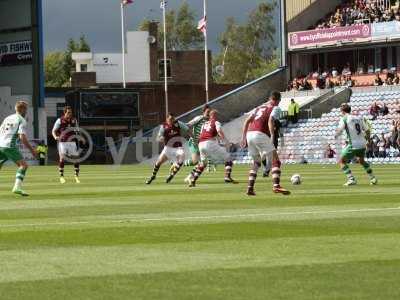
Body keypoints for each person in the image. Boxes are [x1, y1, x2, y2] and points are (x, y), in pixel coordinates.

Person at [241, 91, 290, 196]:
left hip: (250, 134)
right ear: (278, 100)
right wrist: (272, 135)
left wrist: (243, 137)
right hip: (260, 134)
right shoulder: (276, 108)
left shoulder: (259, 108)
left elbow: (247, 121)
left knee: (256, 163)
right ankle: (276, 186)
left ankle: (250, 188)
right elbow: (270, 120)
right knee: (275, 159)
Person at [185, 110, 237, 187]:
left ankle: (193, 180)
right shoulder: (216, 122)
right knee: (228, 158)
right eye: (217, 115)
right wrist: (226, 142)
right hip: (209, 143)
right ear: (214, 115)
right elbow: (219, 131)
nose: (218, 116)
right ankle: (227, 177)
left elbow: (206, 134)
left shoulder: (204, 124)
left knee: (203, 163)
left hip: (201, 144)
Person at [0, 101, 37, 196]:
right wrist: (32, 150)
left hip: (1, 144)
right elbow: (22, 137)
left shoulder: (7, 118)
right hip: (9, 145)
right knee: (23, 165)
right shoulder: (21, 120)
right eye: (26, 109)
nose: (26, 111)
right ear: (22, 109)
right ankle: (17, 187)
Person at [335, 103, 378, 186]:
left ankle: (351, 179)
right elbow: (367, 130)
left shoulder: (344, 119)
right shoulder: (359, 118)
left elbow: (340, 130)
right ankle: (373, 178)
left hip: (353, 144)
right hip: (362, 143)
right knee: (361, 161)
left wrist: (336, 135)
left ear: (342, 111)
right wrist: (368, 141)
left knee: (341, 161)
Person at [146, 113, 189, 184]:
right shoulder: (163, 126)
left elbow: (187, 129)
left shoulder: (178, 123)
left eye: (173, 119)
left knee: (181, 160)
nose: (172, 120)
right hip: (168, 148)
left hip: (178, 147)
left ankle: (171, 175)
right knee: (158, 163)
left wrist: (193, 137)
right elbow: (157, 138)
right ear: (167, 119)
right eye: (170, 119)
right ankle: (153, 176)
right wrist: (161, 139)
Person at [52, 106, 81, 184]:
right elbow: (53, 130)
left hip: (72, 142)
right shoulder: (59, 120)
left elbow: (77, 130)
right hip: (63, 142)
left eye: (70, 112)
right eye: (68, 112)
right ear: (64, 113)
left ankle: (76, 177)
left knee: (76, 158)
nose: (70, 114)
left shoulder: (74, 120)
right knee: (62, 158)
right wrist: (55, 137)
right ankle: (61, 177)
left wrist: (78, 134)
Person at [184, 105, 217, 172]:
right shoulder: (199, 118)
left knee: (205, 157)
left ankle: (208, 168)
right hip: (194, 142)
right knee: (195, 161)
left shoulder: (210, 121)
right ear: (203, 112)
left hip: (202, 143)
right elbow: (189, 124)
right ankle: (180, 163)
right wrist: (182, 126)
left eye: (210, 111)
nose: (209, 113)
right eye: (208, 111)